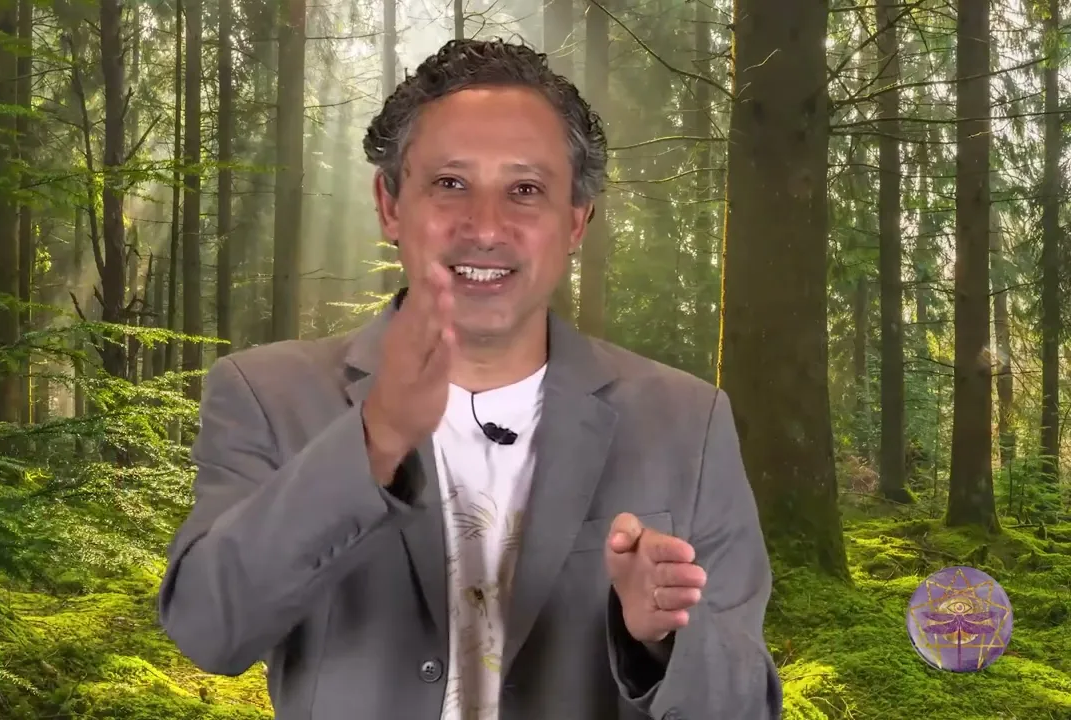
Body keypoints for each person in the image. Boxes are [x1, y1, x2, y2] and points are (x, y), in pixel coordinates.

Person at [158, 38, 783, 720]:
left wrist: (660, 641)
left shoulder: (687, 423)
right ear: (390, 204)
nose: (485, 228)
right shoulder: (267, 395)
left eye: (526, 190)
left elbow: (747, 707)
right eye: (450, 184)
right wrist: (373, 440)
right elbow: (207, 629)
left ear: (576, 220)